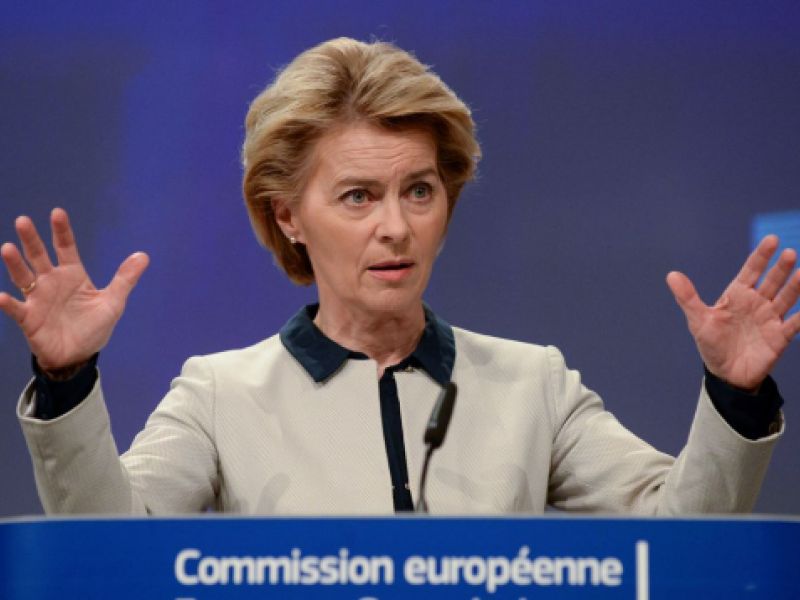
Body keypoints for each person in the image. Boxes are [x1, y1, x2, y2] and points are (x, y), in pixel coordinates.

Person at [1, 38, 798, 515]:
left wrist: (734, 396)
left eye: (419, 190)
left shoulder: (535, 386)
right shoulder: (220, 396)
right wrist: (66, 382)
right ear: (288, 216)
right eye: (358, 196)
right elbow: (110, 552)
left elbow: (679, 539)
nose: (397, 226)